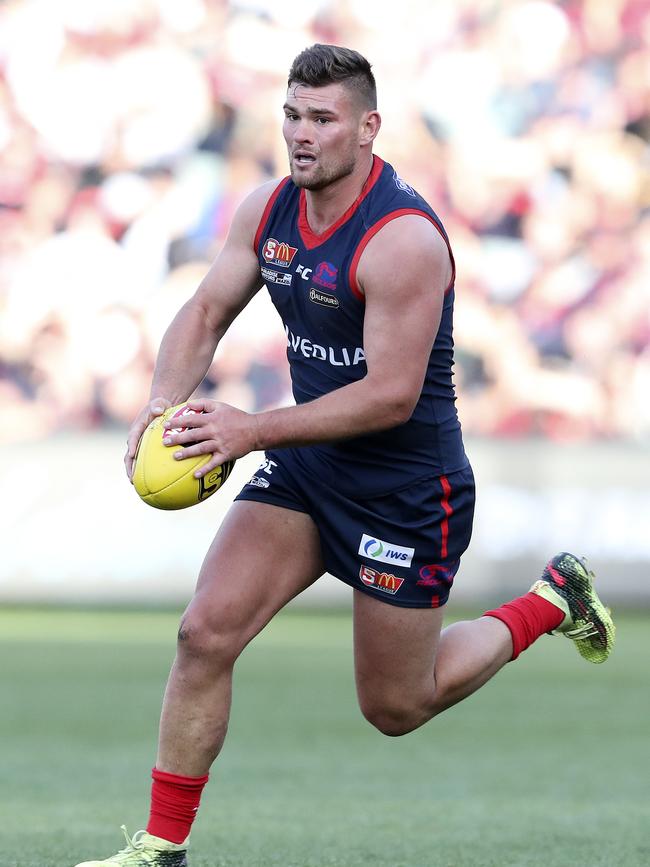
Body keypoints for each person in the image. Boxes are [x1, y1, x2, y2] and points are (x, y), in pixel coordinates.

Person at [74, 44, 615, 867]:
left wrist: (250, 428)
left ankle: (550, 598)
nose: (301, 133)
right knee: (203, 633)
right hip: (311, 464)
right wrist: (163, 401)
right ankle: (161, 849)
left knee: (398, 704)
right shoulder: (267, 209)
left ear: (367, 128)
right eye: (292, 114)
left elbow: (390, 395)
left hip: (405, 486)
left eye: (322, 119)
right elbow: (204, 308)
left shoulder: (403, 240)